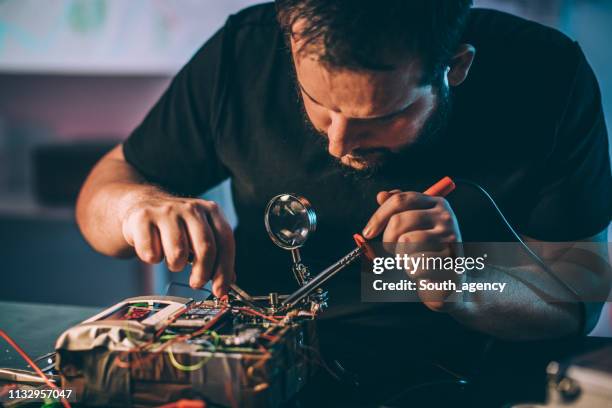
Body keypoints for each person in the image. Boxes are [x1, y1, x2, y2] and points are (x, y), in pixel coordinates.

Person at [76, 1, 611, 406]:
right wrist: (136, 208)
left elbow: (581, 293)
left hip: (463, 384)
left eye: (379, 118)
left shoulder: (546, 74)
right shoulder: (244, 51)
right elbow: (106, 187)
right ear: (290, 41)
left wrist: (461, 284)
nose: (338, 142)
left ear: (456, 67)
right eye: (318, 103)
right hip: (268, 377)